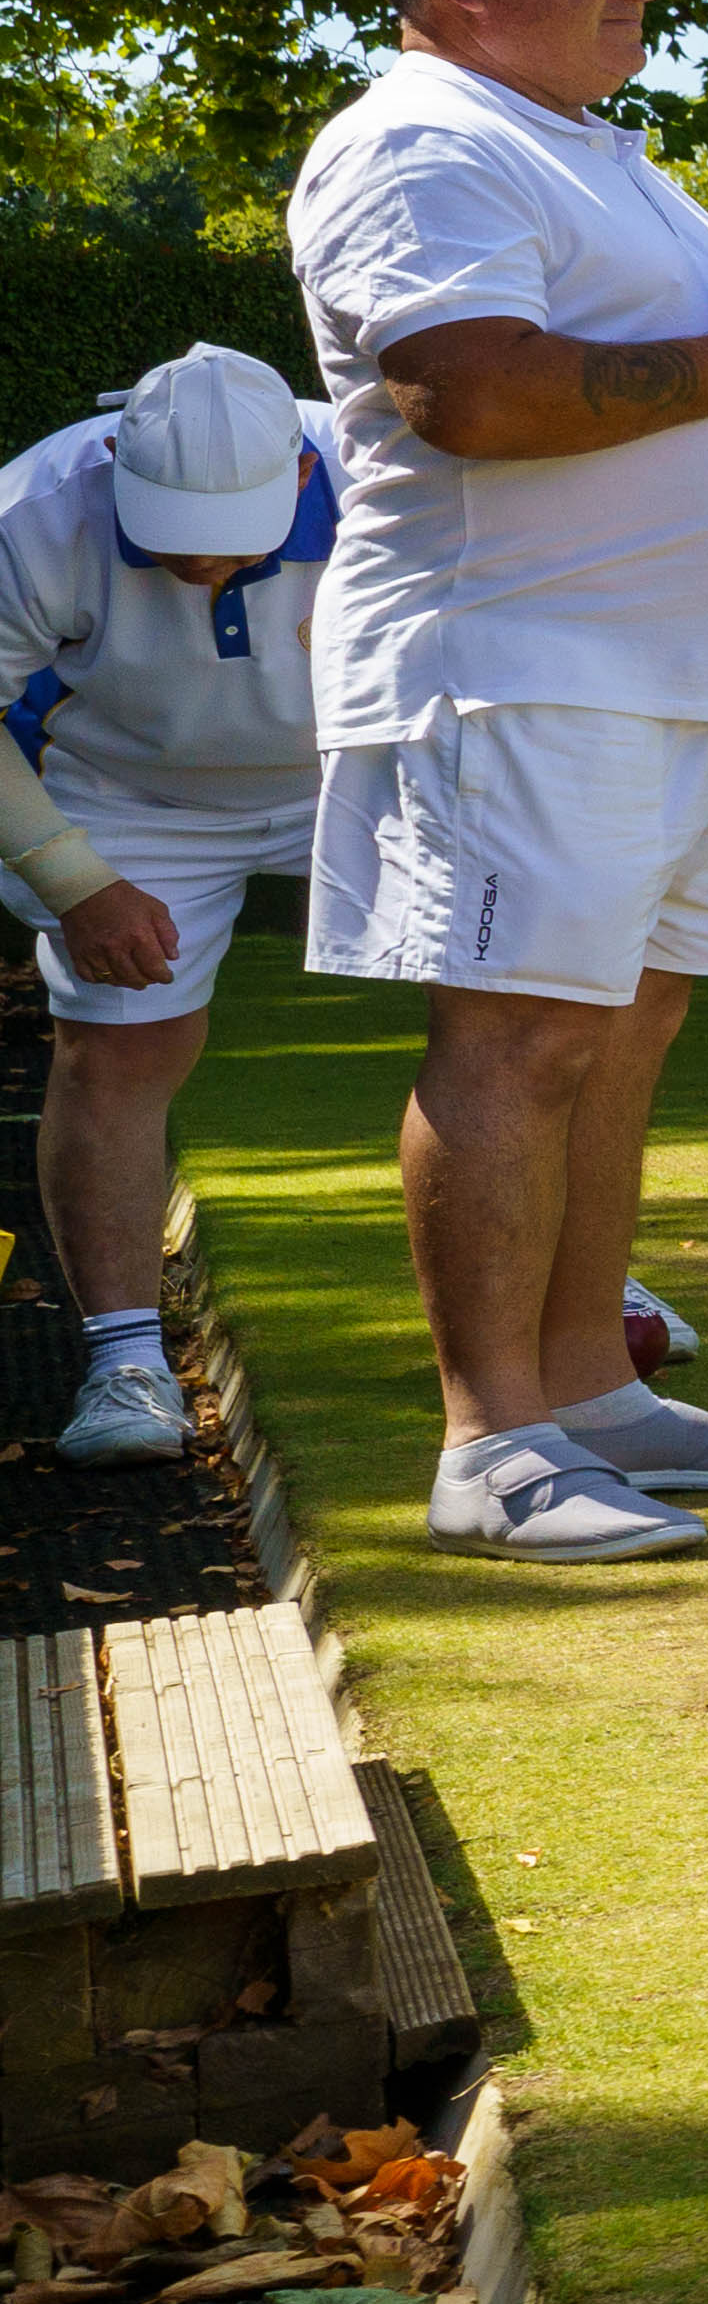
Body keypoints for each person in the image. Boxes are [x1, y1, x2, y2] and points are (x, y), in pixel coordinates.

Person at [282, 0, 708, 1562]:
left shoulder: (582, 149)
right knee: (523, 1033)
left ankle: (587, 1384)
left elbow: (669, 365)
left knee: (622, 1032)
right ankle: (491, 1443)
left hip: (660, 674)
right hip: (520, 660)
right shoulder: (420, 138)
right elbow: (463, 388)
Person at [0, 348, 341, 1467]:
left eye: (230, 526)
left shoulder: (389, 464)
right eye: (172, 526)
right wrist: (72, 877)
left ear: (300, 469)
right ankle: (125, 1361)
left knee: (510, 1009)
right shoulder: (34, 510)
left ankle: (576, 1300)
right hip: (126, 782)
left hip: (364, 766)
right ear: (115, 462)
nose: (199, 559)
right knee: (113, 1049)